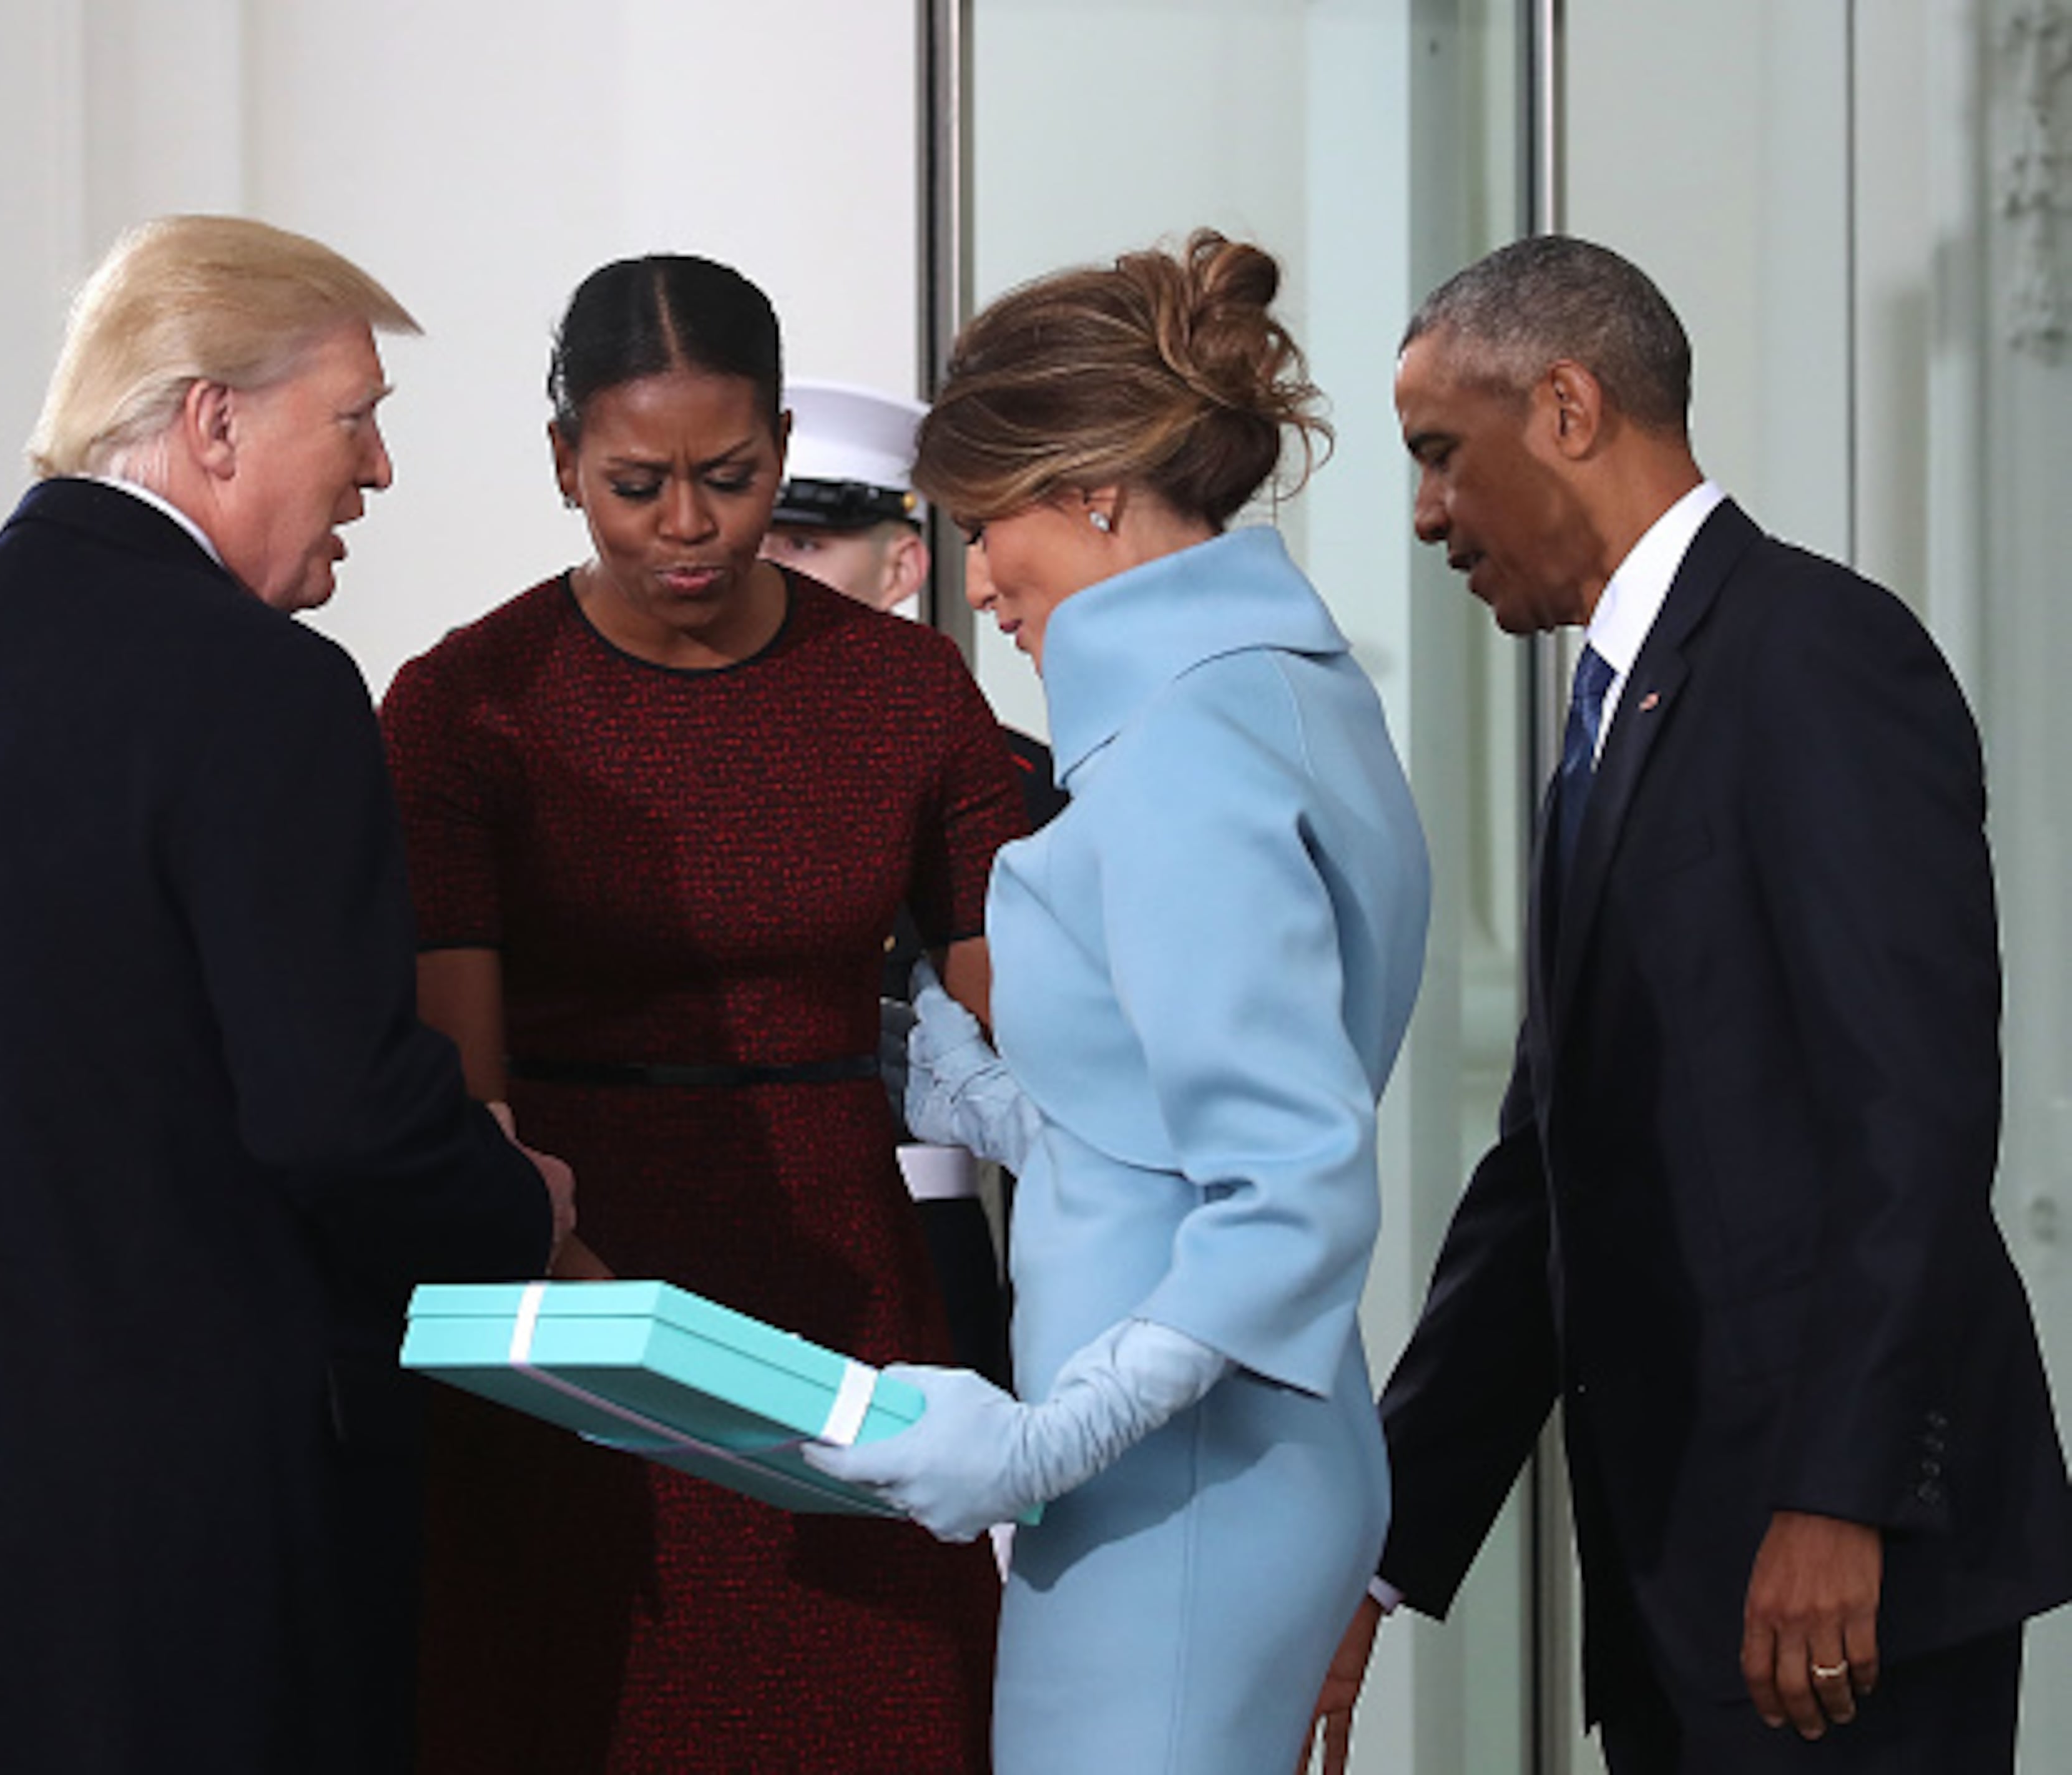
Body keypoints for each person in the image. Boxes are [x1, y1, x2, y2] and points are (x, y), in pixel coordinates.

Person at [0, 214, 573, 1775]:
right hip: (159, 1568)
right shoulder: (268, 690)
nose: (378, 469)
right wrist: (517, 1205)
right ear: (212, 418)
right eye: (358, 415)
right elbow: (337, 1120)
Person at [1303, 235, 2072, 1775]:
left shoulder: (1816, 654)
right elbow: (1546, 1183)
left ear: (1569, 408)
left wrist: (1840, 1497)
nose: (1427, 514)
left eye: (1441, 454)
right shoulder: (1609, 718)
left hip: (1835, 1581)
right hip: (1686, 1582)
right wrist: (1377, 1549)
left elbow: (1910, 1118)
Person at [379, 253, 1018, 1773]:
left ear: (785, 452)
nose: (686, 527)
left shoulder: (908, 694)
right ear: (561, 467)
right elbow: (465, 1104)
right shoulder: (469, 704)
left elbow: (1030, 1024)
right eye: (635, 484)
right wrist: (623, 1353)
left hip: (847, 1296)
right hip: (567, 1300)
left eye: (728, 479)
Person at [805, 230, 1431, 1774]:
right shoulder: (1271, 687)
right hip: (1224, 1461)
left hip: (1181, 1487)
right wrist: (986, 1099)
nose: (975, 578)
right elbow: (1183, 1132)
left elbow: (1290, 1188)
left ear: (1089, 491)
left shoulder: (1184, 749)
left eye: (982, 523)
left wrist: (1035, 1447)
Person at [764, 378, 1068, 1387]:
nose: (763, 568)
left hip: (925, 1241)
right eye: (753, 537)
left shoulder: (1014, 786)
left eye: (803, 545)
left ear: (903, 563)